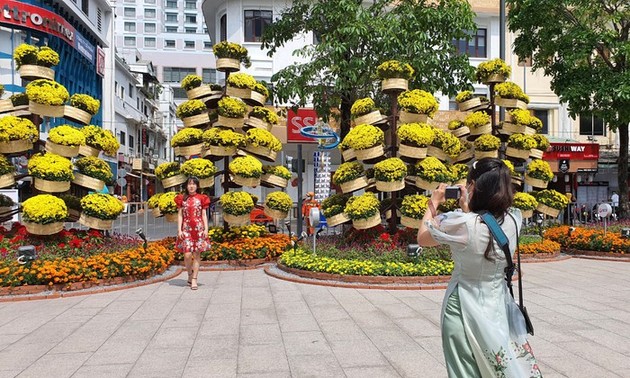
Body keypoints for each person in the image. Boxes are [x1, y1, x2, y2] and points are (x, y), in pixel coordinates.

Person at [417, 158, 541, 378]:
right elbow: (487, 225)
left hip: (463, 306)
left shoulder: (463, 224)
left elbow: (423, 238)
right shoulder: (514, 220)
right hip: (496, 306)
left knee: (464, 371)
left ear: (472, 186)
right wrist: (468, 208)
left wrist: (433, 204)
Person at [175, 176, 210, 290]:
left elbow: (204, 214)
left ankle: (194, 278)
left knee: (197, 254)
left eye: (194, 184)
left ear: (197, 186)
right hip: (186, 229)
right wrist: (179, 230)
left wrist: (206, 229)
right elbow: (180, 215)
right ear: (186, 186)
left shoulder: (202, 198)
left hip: (199, 229)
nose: (191, 186)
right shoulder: (182, 198)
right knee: (187, 254)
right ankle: (189, 274)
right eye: (189, 184)